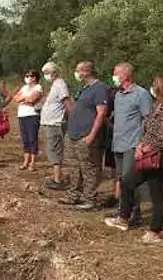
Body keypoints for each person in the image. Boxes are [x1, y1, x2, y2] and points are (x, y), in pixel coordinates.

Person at [105, 73, 163, 243]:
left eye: (155, 84)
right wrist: (140, 145)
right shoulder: (158, 107)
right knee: (127, 182)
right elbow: (147, 130)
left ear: (162, 88)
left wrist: (146, 148)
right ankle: (123, 218)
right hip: (148, 154)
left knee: (157, 192)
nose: (152, 87)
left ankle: (155, 231)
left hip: (162, 157)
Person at [59, 61, 108, 210]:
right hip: (73, 134)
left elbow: (101, 114)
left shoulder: (99, 89)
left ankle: (89, 199)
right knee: (73, 167)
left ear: (86, 72)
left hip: (85, 136)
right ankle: (73, 195)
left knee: (89, 168)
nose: (76, 73)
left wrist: (92, 135)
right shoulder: (85, 88)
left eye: (78, 70)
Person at [110, 62, 153, 224]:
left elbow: (148, 119)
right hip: (118, 142)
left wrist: (143, 142)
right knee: (121, 178)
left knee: (130, 179)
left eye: (116, 73)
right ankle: (124, 210)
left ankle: (134, 213)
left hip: (133, 143)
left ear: (126, 75)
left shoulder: (141, 94)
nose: (113, 76)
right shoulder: (118, 94)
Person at [40, 61, 73, 190]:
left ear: (54, 72)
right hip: (51, 122)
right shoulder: (55, 85)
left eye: (47, 73)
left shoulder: (60, 84)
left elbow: (67, 102)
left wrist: (74, 119)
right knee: (53, 149)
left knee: (54, 149)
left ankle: (58, 180)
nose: (46, 75)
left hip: (55, 123)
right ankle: (57, 176)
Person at [13, 69, 44, 171]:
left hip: (32, 115)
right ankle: (26, 161)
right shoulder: (25, 87)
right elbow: (16, 98)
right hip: (22, 115)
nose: (27, 78)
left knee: (32, 139)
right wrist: (26, 98)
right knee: (25, 139)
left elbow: (32, 99)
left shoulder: (38, 87)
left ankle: (33, 163)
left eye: (29, 76)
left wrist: (23, 98)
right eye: (26, 76)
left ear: (34, 78)